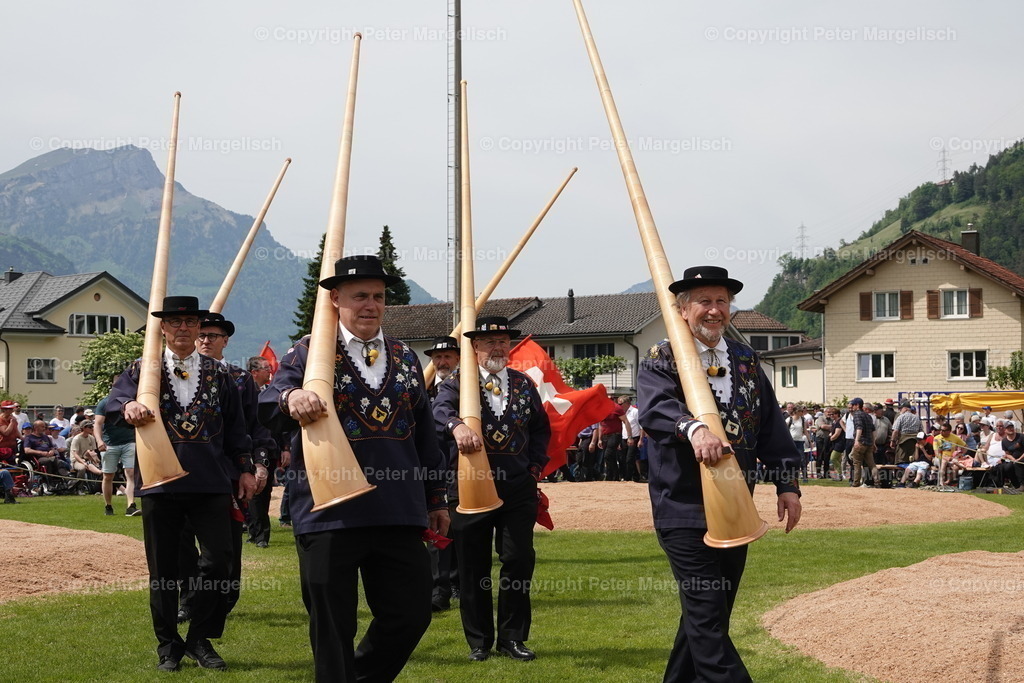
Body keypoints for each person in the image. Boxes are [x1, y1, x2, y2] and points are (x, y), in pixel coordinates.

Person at [257, 255, 448, 682]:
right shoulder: (309, 352)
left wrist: (436, 498)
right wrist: (292, 398)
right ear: (335, 299)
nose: (370, 305)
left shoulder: (404, 356)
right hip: (328, 513)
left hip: (397, 511)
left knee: (411, 614)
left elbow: (425, 439)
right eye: (359, 295)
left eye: (378, 297)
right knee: (332, 627)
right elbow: (268, 401)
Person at [637, 265, 801, 683]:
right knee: (707, 613)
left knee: (711, 612)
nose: (714, 311)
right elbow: (655, 410)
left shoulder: (746, 359)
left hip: (735, 504)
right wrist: (693, 428)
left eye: (722, 302)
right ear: (682, 309)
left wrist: (787, 484)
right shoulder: (663, 356)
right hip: (683, 506)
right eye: (704, 302)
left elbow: (771, 429)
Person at [106, 295, 257, 672]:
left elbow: (238, 429)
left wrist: (245, 468)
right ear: (163, 328)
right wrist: (128, 406)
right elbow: (113, 401)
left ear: (199, 327)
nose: (184, 328)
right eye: (176, 322)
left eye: (191, 322)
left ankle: (199, 639)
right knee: (163, 569)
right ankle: (168, 646)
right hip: (159, 482)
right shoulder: (143, 369)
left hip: (211, 482)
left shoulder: (221, 373)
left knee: (220, 561)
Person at [433, 315, 551, 662]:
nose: (497, 347)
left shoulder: (523, 383)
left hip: (516, 487)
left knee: (518, 560)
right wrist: (456, 426)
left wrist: (533, 468)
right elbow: (438, 410)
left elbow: (541, 429)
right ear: (474, 347)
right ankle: (480, 641)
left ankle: (512, 638)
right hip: (469, 486)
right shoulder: (458, 382)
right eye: (488, 342)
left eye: (503, 341)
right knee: (473, 566)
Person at [423, 335, 461, 613]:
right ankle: (439, 590)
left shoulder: (465, 389)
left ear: (458, 358)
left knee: (459, 528)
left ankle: (457, 582)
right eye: (437, 357)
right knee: (437, 527)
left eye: (447, 356)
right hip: (431, 469)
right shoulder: (423, 390)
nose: (442, 361)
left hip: (461, 468)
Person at [246, 354, 280, 548]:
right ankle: (254, 531)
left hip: (270, 449)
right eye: (267, 368)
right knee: (251, 492)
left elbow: (279, 422)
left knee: (263, 491)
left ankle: (260, 535)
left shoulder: (272, 393)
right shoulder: (244, 394)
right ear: (255, 372)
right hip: (248, 449)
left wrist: (284, 448)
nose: (270, 371)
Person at [94, 389, 140, 516]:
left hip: (129, 441)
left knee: (130, 473)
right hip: (110, 444)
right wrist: (99, 441)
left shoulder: (132, 402)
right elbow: (97, 424)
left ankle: (131, 505)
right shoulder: (104, 403)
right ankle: (108, 506)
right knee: (108, 476)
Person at [848, 398, 878, 488]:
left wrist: (856, 440)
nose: (852, 407)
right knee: (872, 464)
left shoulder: (857, 415)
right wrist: (873, 443)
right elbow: (873, 431)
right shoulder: (868, 416)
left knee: (856, 463)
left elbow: (859, 428)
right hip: (869, 443)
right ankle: (877, 481)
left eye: (853, 405)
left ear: (857, 405)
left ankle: (856, 483)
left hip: (861, 442)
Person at [933, 422, 967, 491]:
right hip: (938, 459)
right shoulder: (937, 438)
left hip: (951, 459)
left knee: (955, 467)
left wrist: (960, 455)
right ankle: (941, 482)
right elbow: (936, 453)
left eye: (944, 430)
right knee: (944, 462)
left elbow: (965, 446)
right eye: (941, 430)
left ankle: (948, 483)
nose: (941, 432)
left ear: (949, 431)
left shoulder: (955, 438)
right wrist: (946, 458)